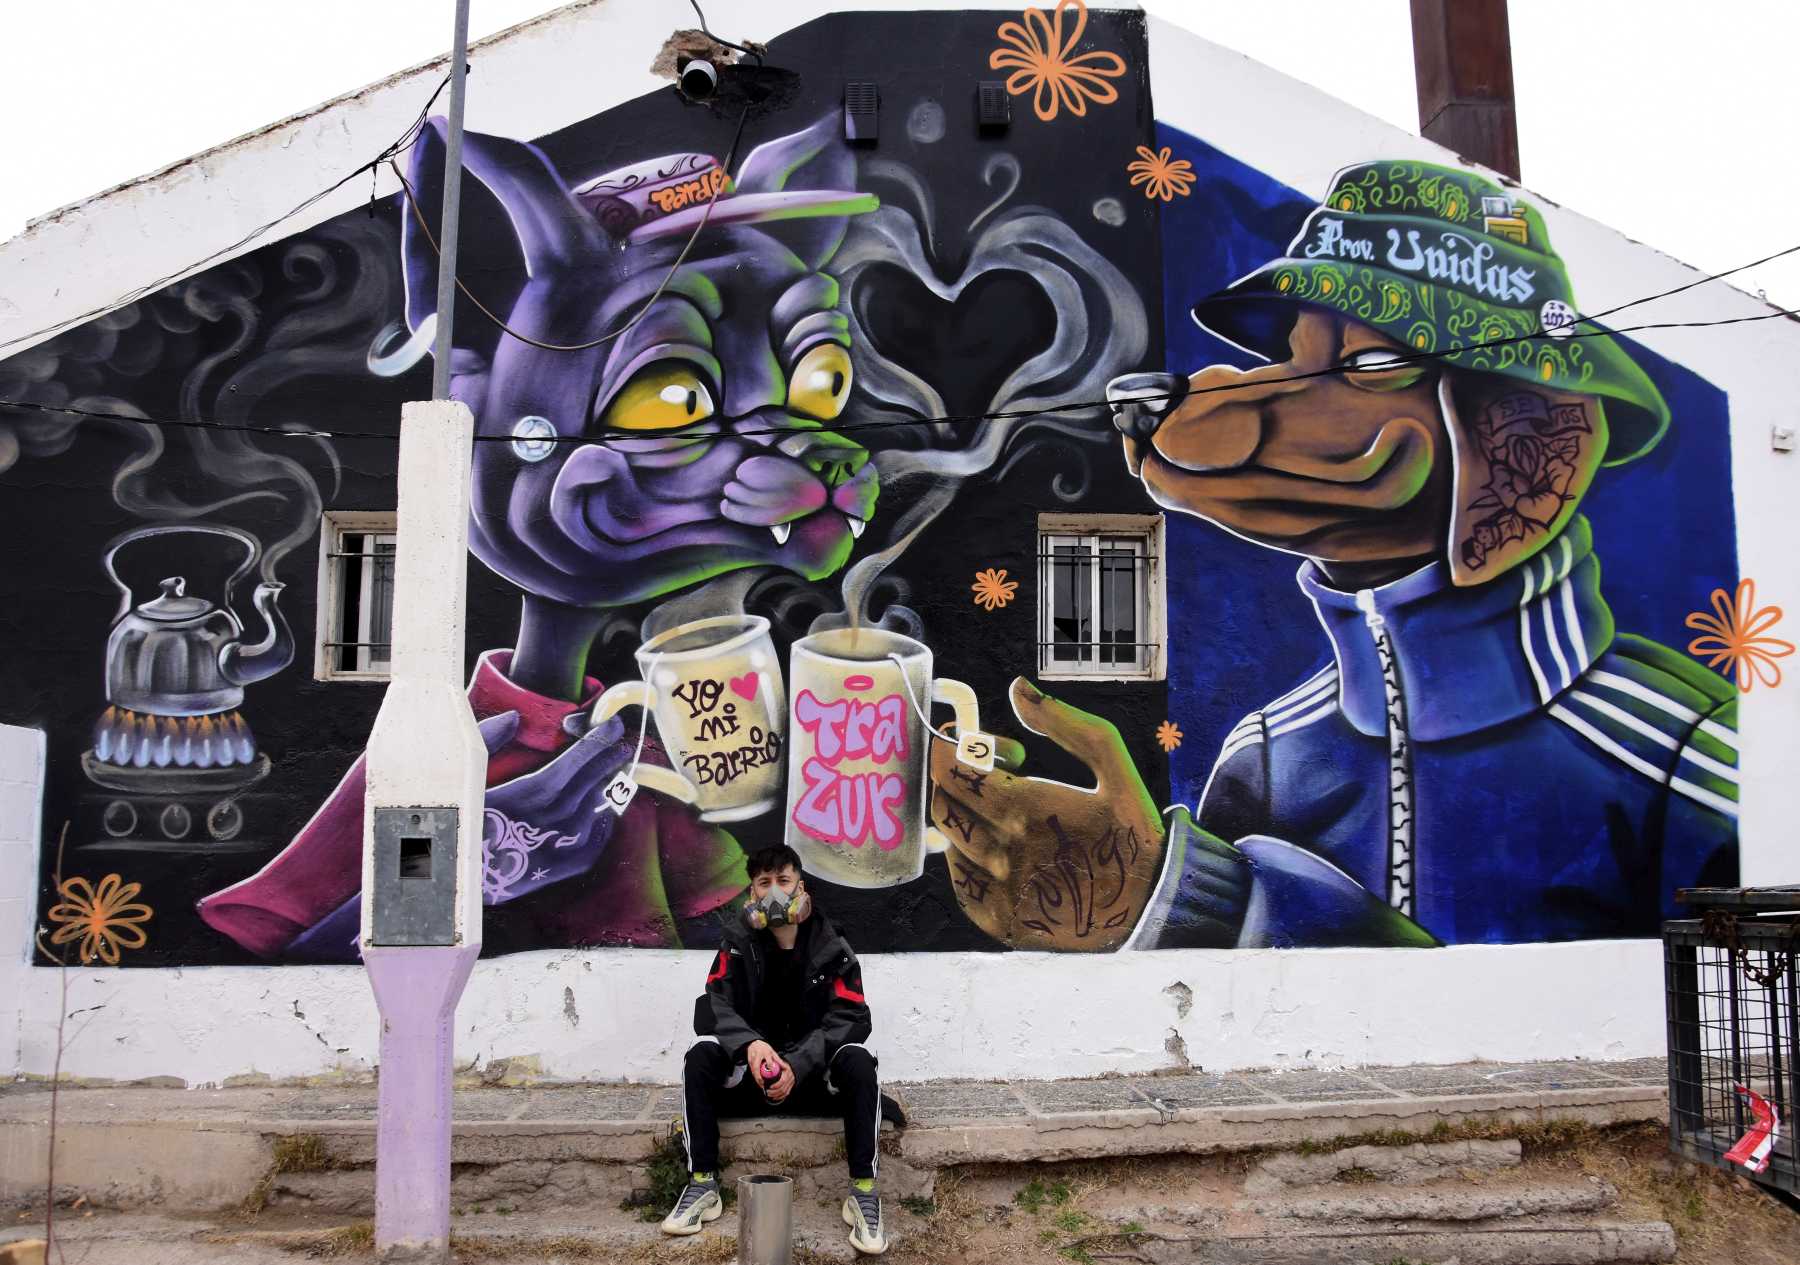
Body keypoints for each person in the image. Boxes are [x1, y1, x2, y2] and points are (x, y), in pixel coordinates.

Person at [661, 844, 886, 1255]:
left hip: (813, 1080)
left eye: (784, 880)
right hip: (752, 1078)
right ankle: (702, 1184)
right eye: (764, 883)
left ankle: (864, 1192)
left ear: (802, 888)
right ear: (752, 894)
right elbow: (715, 1004)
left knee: (859, 1060)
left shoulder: (831, 945)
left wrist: (798, 1063)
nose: (775, 892)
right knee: (700, 1055)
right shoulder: (736, 941)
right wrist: (750, 1045)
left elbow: (852, 1016)